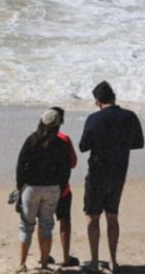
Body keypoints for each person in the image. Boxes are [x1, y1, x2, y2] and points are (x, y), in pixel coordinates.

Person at [79, 81, 145, 273]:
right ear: (114, 97)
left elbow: (83, 146)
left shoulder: (94, 119)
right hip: (119, 173)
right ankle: (114, 261)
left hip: (97, 173)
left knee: (92, 217)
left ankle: (94, 261)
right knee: (112, 216)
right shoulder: (130, 117)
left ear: (98, 102)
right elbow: (138, 143)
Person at [15, 109, 72, 272]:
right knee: (47, 225)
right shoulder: (61, 144)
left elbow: (20, 165)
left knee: (26, 226)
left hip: (31, 188)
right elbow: (66, 169)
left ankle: (22, 264)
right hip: (52, 188)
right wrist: (61, 187)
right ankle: (45, 264)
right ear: (58, 125)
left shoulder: (31, 140)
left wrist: (19, 186)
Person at [50, 107, 79, 267]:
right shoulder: (64, 139)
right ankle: (66, 257)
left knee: (44, 222)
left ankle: (44, 256)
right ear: (61, 121)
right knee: (64, 221)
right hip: (62, 189)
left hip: (43, 187)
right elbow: (73, 163)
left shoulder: (37, 138)